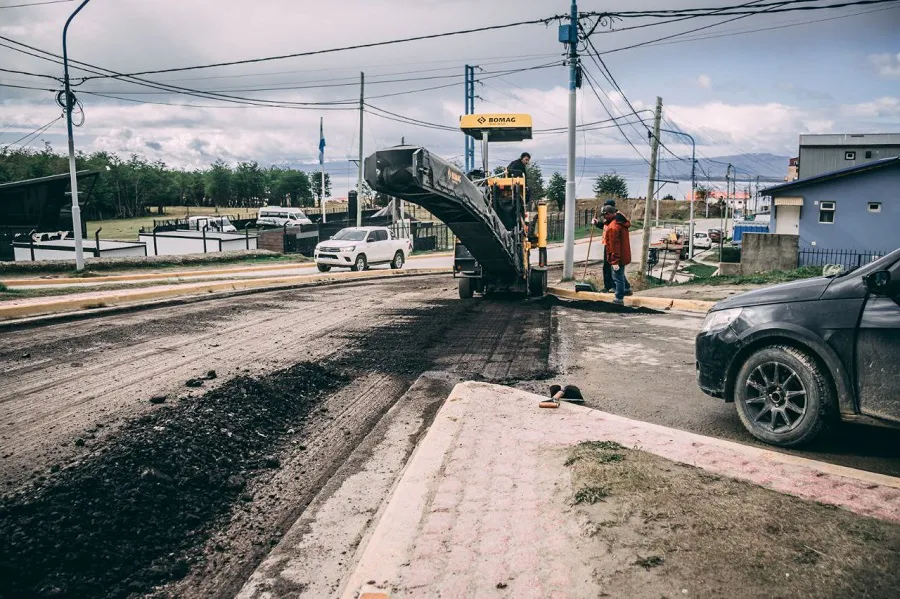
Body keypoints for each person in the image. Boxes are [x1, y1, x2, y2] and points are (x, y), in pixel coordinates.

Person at [593, 199, 631, 294]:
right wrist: (597, 223)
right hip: (608, 243)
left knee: (612, 266)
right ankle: (618, 287)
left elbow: (612, 230)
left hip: (612, 245)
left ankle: (615, 288)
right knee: (612, 267)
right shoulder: (613, 217)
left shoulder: (616, 217)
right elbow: (606, 226)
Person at [600, 204, 632, 305]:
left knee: (617, 277)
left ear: (609, 214)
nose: (604, 217)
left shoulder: (613, 227)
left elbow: (614, 246)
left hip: (618, 257)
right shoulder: (621, 222)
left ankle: (619, 298)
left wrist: (614, 261)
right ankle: (625, 290)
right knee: (620, 276)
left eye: (604, 215)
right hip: (624, 255)